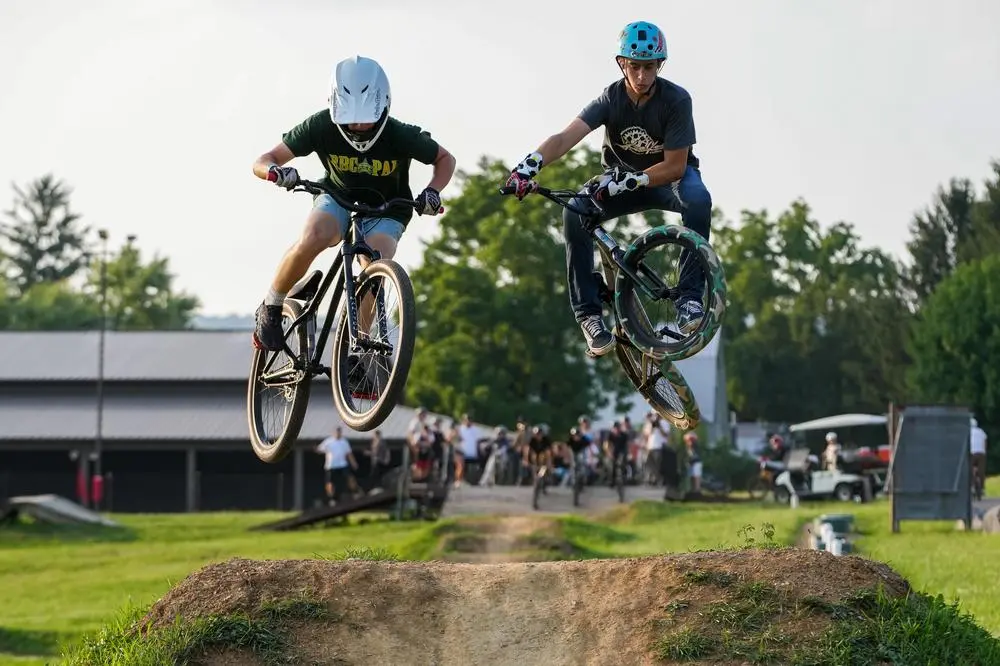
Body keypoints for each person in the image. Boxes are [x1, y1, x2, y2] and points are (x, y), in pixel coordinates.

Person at [504, 21, 713, 357]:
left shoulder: (676, 100)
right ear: (622, 64)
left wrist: (639, 178)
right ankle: (589, 314)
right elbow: (565, 137)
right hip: (620, 180)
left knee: (699, 200)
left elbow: (676, 165)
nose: (642, 76)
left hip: (667, 179)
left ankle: (689, 299)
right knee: (574, 212)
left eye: (649, 67)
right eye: (635, 67)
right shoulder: (610, 99)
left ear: (660, 65)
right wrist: (529, 166)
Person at [250, 55, 457, 370]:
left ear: (384, 109)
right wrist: (275, 172)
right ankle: (272, 304)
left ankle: (359, 351)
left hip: (388, 207)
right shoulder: (320, 125)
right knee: (318, 234)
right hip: (336, 195)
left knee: (376, 261)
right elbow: (264, 159)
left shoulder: (401, 134)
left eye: (366, 119)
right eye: (349, 119)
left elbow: (444, 159)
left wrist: (432, 192)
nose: (359, 127)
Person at [316, 427, 359, 504]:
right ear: (333, 433)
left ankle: (355, 493)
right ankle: (332, 499)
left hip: (342, 465)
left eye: (339, 432)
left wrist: (354, 463)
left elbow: (349, 454)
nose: (338, 434)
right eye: (336, 432)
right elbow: (319, 449)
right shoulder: (328, 441)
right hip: (331, 466)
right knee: (330, 483)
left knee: (350, 478)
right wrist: (322, 450)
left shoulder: (344, 442)